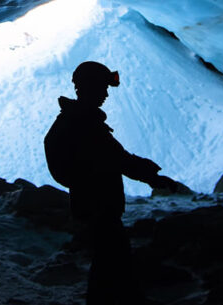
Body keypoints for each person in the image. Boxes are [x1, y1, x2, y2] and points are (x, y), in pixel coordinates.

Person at [44, 61, 177, 304]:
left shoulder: (77, 120)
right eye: (102, 88)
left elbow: (115, 158)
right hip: (99, 205)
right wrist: (151, 176)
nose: (106, 94)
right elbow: (118, 159)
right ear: (89, 88)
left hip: (91, 203)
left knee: (108, 259)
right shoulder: (85, 124)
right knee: (113, 258)